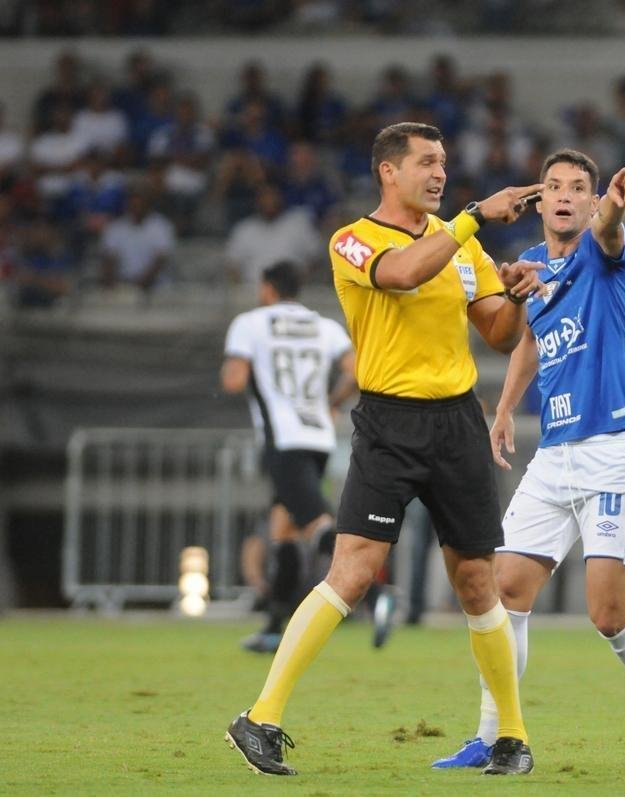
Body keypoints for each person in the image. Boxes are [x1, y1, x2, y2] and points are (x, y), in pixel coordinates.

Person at [225, 121, 545, 777]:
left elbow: (496, 332)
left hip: (458, 421)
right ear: (388, 172)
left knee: (478, 581)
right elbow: (399, 275)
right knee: (351, 570)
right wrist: (472, 219)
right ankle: (260, 717)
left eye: (445, 162)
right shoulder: (353, 239)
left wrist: (515, 297)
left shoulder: (460, 247)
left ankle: (510, 736)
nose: (439, 172)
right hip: (390, 422)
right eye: (426, 161)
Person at [434, 149, 625, 771]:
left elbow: (610, 230)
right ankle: (494, 732)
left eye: (579, 187)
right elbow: (529, 340)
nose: (565, 195)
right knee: (503, 591)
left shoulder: (605, 253)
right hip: (557, 451)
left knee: (607, 613)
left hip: (616, 446)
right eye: (554, 186)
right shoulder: (534, 267)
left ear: (594, 201)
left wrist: (618, 208)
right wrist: (504, 410)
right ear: (540, 201)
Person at [221, 262, 356, 653]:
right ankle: (275, 625)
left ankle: (376, 590)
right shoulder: (324, 326)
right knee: (283, 528)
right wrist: (330, 402)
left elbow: (233, 380)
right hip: (317, 436)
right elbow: (359, 371)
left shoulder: (250, 323)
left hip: (281, 438)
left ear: (267, 289)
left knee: (317, 525)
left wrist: (246, 370)